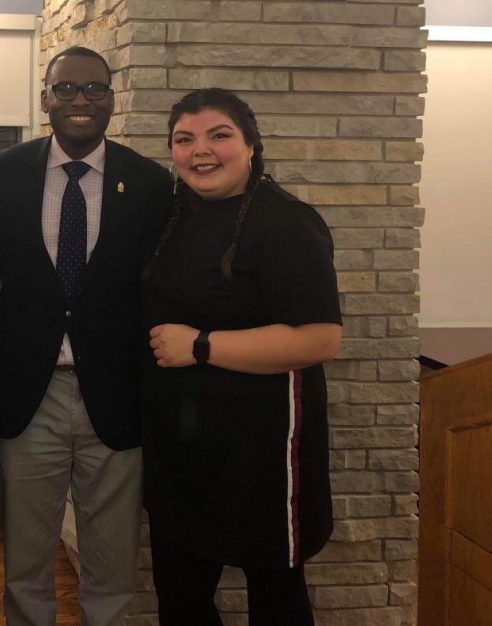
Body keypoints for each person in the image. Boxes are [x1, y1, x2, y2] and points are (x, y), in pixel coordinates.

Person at [0, 46, 172, 626]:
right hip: (28, 396)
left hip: (113, 395)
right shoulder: (1, 175)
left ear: (112, 98)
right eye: (66, 89)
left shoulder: (150, 183)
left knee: (112, 565)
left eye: (94, 88)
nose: (80, 101)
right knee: (26, 563)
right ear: (45, 98)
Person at [141, 88, 342, 625]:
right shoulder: (173, 212)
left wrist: (201, 346)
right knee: (181, 597)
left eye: (219, 135)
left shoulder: (288, 222)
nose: (200, 151)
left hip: (264, 450)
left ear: (251, 145)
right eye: (184, 139)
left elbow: (321, 339)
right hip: (181, 447)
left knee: (276, 598)